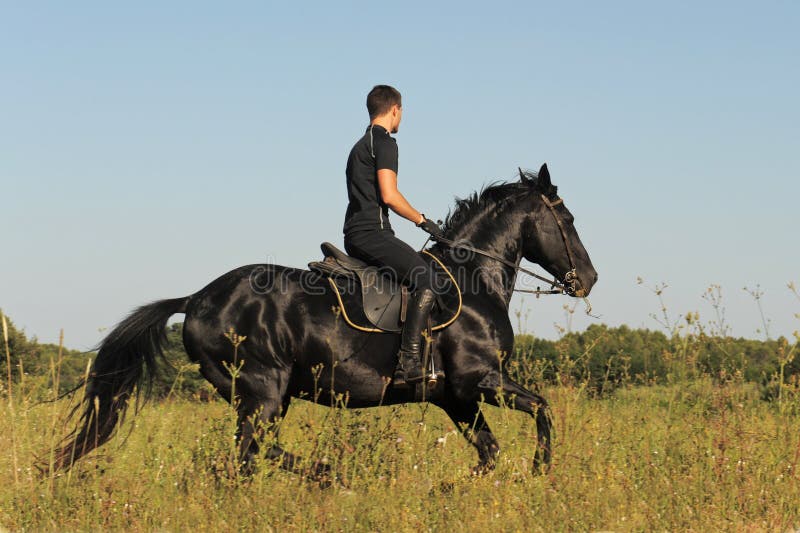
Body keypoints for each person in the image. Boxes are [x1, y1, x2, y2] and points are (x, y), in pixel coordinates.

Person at [343, 85, 444, 386]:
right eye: (403, 112)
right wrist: (423, 221)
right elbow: (389, 195)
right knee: (427, 279)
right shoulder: (384, 143)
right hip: (371, 233)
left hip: (356, 231)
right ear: (395, 109)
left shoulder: (359, 145)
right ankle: (409, 363)